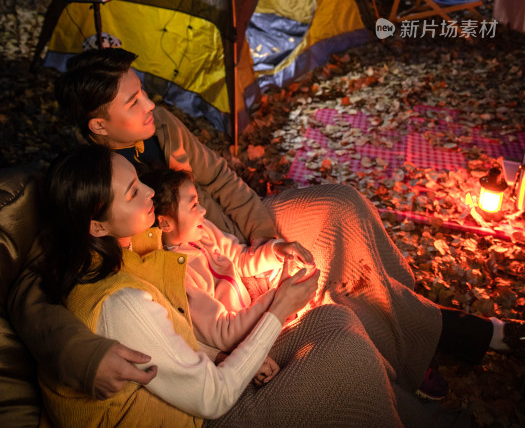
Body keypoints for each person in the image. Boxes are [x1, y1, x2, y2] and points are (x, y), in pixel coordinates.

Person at [9, 48, 525, 426]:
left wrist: (266, 238)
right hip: (194, 281)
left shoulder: (162, 127)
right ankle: (451, 337)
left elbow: (217, 178)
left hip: (227, 236)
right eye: (132, 100)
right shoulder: (88, 185)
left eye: (142, 90)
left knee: (338, 208)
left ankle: (410, 339)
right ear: (99, 127)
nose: (149, 103)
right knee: (323, 307)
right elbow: (37, 286)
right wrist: (80, 353)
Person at [39, 146, 319, 426]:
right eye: (133, 192)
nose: (149, 192)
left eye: (139, 180)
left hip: (207, 375)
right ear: (97, 227)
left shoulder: (128, 253)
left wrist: (220, 356)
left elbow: (164, 340)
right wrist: (280, 307)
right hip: (193, 413)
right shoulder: (122, 301)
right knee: (333, 351)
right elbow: (214, 397)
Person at [146, 167, 315, 356]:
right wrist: (278, 298)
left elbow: (240, 258)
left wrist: (277, 250)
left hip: (259, 310)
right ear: (165, 223)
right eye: (193, 206)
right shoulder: (179, 277)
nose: (203, 210)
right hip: (249, 340)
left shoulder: (203, 231)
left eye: (199, 202)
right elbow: (224, 333)